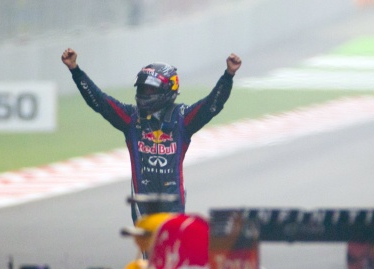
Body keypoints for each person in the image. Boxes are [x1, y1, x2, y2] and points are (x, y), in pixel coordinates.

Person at [61, 48, 242, 220]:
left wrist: (228, 76)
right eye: (143, 88)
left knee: (171, 250)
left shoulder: (183, 119)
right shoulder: (131, 119)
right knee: (149, 252)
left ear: (168, 90)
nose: (145, 94)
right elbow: (100, 102)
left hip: (173, 205)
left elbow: (212, 105)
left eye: (151, 89)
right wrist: (75, 71)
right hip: (142, 205)